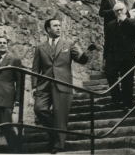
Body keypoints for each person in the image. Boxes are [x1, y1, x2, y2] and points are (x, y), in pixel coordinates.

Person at [32, 18, 93, 153]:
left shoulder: (69, 44)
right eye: (55, 26)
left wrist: (88, 52)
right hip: (44, 83)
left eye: (60, 25)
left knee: (60, 114)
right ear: (48, 29)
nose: (59, 28)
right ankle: (56, 132)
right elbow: (35, 68)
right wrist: (34, 86)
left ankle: (58, 144)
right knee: (39, 108)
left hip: (63, 83)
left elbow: (81, 60)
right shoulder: (40, 47)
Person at [104, 3, 135, 111]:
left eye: (121, 10)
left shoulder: (132, 22)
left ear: (125, 10)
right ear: (114, 13)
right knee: (110, 75)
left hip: (127, 55)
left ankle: (127, 103)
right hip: (113, 55)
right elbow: (107, 42)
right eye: (116, 11)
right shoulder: (110, 25)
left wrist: (125, 20)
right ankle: (117, 99)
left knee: (127, 79)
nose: (119, 12)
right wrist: (105, 57)